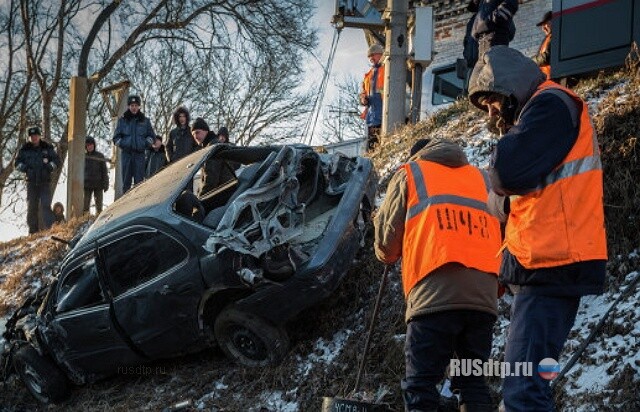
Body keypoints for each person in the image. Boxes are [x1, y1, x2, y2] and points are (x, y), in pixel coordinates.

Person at [468, 46, 607, 411]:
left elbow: (505, 173)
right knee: (527, 387)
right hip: (547, 262)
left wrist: (499, 175)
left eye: (493, 102)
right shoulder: (547, 111)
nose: (493, 113)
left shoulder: (549, 105)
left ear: (509, 86)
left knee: (523, 392)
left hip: (552, 261)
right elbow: (509, 192)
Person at [374, 138, 502, 412]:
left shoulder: (411, 173)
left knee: (421, 385)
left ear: (417, 155)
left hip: (434, 296)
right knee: (472, 382)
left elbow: (387, 244)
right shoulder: (482, 178)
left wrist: (382, 246)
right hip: (484, 299)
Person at [15, 126, 61, 234]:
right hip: (31, 183)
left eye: (36, 136)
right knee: (32, 207)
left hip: (44, 182)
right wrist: (25, 169)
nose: (34, 138)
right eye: (31, 136)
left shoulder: (47, 147)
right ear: (29, 137)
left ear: (39, 136)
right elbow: (16, 164)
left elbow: (57, 161)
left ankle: (51, 229)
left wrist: (50, 167)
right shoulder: (24, 149)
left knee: (46, 205)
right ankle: (33, 232)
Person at [112, 95, 155, 193]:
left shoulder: (145, 121)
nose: (134, 107)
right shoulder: (122, 121)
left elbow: (152, 137)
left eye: (136, 105)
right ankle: (126, 206)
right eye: (132, 105)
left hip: (140, 156)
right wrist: (124, 144)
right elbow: (116, 138)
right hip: (126, 155)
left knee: (139, 184)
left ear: (139, 106)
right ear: (128, 106)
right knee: (126, 184)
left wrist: (144, 144)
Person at [191, 118, 236, 197]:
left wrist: (200, 199)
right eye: (193, 134)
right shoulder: (210, 145)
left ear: (205, 131)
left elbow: (211, 181)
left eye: (197, 132)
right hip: (224, 193)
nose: (195, 136)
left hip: (222, 196)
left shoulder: (212, 147)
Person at [359, 43, 385, 151]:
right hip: (372, 118)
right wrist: (363, 99)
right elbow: (363, 93)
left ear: (381, 55)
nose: (371, 59)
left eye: (373, 55)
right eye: (369, 57)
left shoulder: (388, 70)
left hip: (385, 115)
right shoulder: (367, 76)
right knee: (371, 148)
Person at [84, 136, 109, 214]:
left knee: (99, 206)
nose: (90, 147)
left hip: (98, 184)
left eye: (91, 145)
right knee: (85, 205)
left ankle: (98, 220)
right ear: (85, 146)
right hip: (87, 184)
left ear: (94, 145)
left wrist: (106, 183)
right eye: (88, 145)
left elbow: (104, 171)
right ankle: (85, 220)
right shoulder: (83, 156)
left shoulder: (100, 156)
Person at [533, 11, 553, 79]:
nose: (543, 28)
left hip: (553, 78)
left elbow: (546, 57)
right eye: (542, 25)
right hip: (546, 79)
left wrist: (530, 61)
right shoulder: (547, 39)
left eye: (546, 23)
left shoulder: (556, 37)